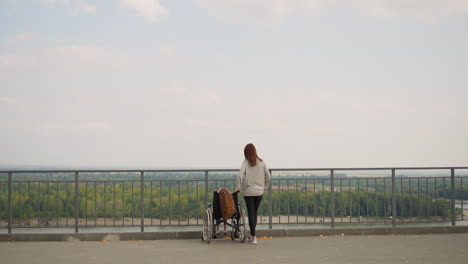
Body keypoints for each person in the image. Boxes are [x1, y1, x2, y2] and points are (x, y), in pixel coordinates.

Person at [235, 143, 271, 245]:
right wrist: (265, 188)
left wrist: (238, 186)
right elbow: (268, 177)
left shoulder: (246, 162)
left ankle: (254, 236)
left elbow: (240, 175)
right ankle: (252, 235)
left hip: (248, 192)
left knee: (251, 213)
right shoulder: (262, 162)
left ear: (246, 153)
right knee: (254, 213)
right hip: (259, 192)